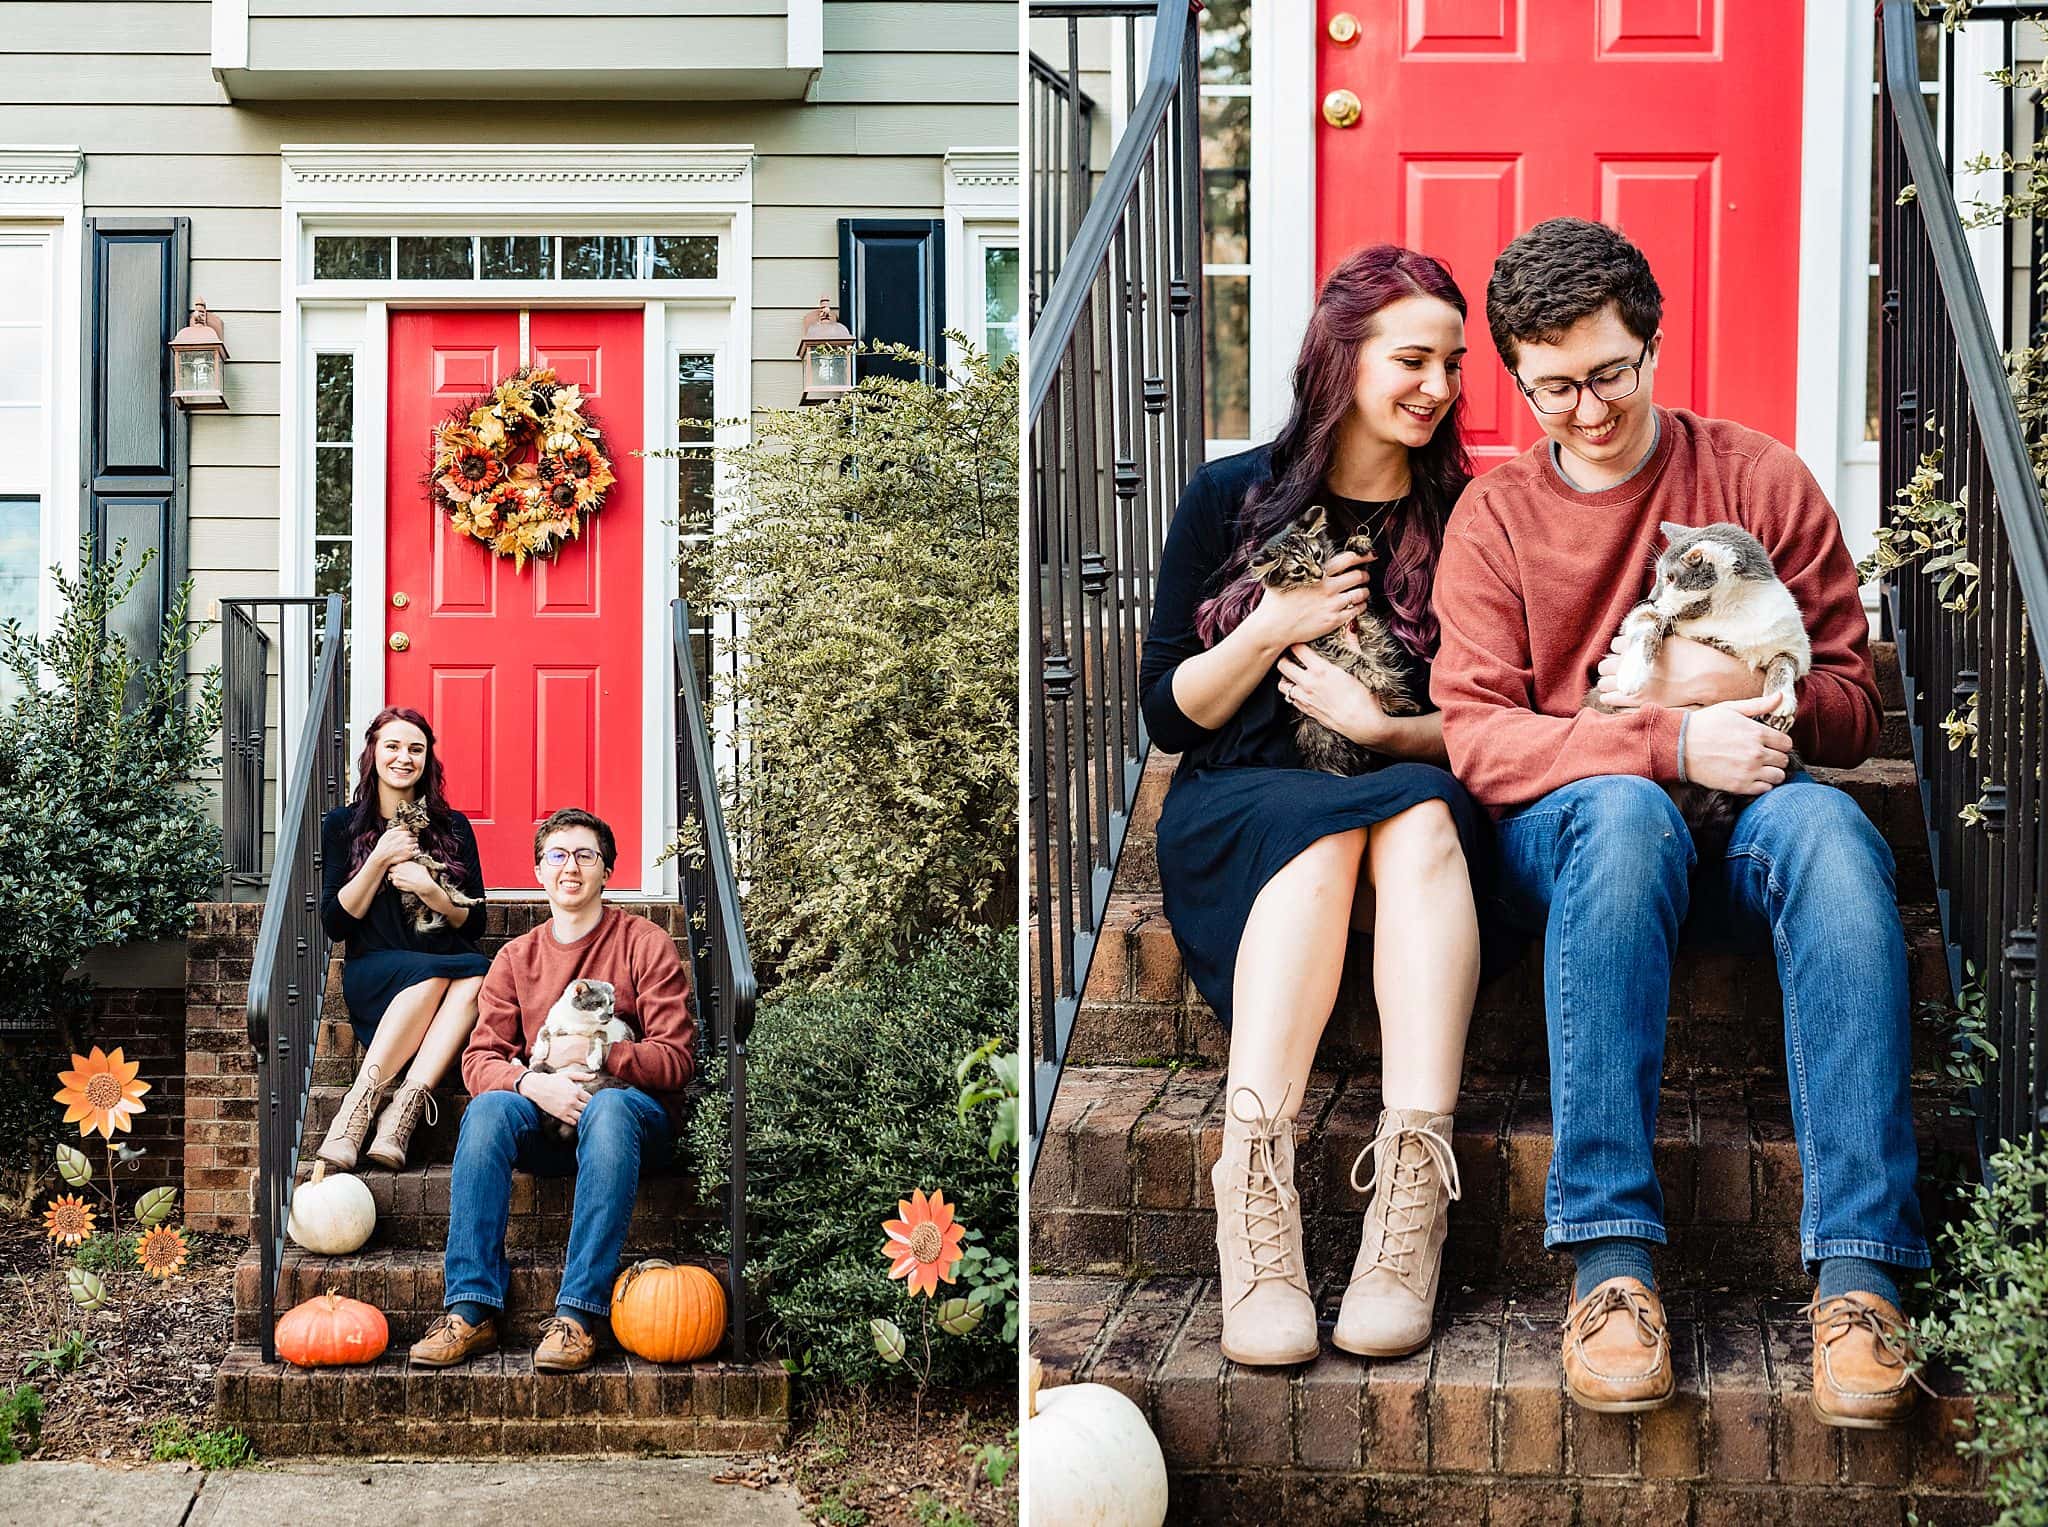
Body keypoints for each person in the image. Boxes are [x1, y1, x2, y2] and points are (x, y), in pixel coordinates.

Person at [1431, 217, 1926, 1425]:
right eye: (1552, 387)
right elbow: (1479, 737)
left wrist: (1748, 698)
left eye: (1608, 373)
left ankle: (1859, 1278)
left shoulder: (1756, 478)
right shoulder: (1493, 519)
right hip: (1586, 838)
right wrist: (1660, 738)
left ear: (1651, 343)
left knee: (1836, 839)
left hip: (1748, 809)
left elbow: (1853, 707)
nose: (1586, 410)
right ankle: (1608, 1263)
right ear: (1516, 378)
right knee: (1619, 814)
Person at [1137, 244, 1492, 1367]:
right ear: (1341, 358)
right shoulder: (1226, 498)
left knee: (1418, 816)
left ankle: (1406, 1207)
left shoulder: (1474, 514)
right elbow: (1168, 714)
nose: (1434, 384)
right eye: (1410, 359)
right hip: (1244, 797)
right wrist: (1269, 625)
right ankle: (1254, 1200)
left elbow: (1505, 716)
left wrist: (1387, 730)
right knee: (1319, 834)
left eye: (1449, 362)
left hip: (1413, 788)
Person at [407, 807, 697, 1374]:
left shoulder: (645, 943)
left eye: (586, 855)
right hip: (547, 1125)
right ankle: (470, 1308)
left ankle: (578, 1317)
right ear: (539, 871)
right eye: (558, 855)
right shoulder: (516, 958)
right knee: (489, 1109)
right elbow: (481, 1059)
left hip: (632, 1126)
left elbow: (677, 1060)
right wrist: (536, 1084)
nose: (572, 867)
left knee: (611, 1107)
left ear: (607, 871)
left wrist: (598, 1056)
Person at [317, 708, 490, 1172]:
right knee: (445, 974)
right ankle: (359, 1106)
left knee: (475, 976)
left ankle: (402, 1113)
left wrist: (432, 890)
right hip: (376, 966)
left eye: (415, 748)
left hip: (441, 962)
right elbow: (336, 923)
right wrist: (377, 860)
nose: (404, 757)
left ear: (427, 759)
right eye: (392, 746)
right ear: (373, 753)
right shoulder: (342, 825)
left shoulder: (452, 828)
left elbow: (475, 923)